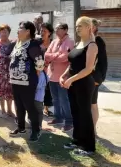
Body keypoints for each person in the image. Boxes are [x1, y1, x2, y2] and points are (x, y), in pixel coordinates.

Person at [61, 16, 98, 156]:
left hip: (83, 83)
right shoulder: (78, 44)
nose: (77, 29)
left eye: (80, 26)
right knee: (75, 112)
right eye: (76, 26)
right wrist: (64, 75)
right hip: (73, 83)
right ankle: (77, 141)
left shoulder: (92, 45)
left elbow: (88, 69)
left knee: (85, 114)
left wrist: (71, 79)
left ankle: (89, 147)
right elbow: (72, 64)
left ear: (89, 27)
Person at [9, 21, 44, 142]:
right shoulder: (17, 43)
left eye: (20, 28)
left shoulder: (32, 44)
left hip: (27, 81)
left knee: (29, 106)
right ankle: (21, 127)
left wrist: (34, 76)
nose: (18, 30)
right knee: (19, 106)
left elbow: (40, 63)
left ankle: (36, 130)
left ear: (28, 31)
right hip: (15, 80)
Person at [45, 23, 75, 132]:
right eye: (56, 28)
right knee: (55, 99)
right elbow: (46, 55)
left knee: (64, 99)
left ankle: (69, 121)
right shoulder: (54, 41)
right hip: (52, 75)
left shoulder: (70, 42)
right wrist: (56, 55)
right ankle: (58, 117)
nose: (56, 31)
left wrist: (53, 57)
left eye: (59, 29)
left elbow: (65, 57)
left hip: (63, 76)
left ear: (65, 30)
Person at [0, 24, 14, 116]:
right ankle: (3, 110)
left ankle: (10, 110)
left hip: (10, 71)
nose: (4, 33)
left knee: (10, 91)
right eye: (2, 32)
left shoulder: (13, 43)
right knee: (0, 90)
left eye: (6, 31)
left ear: (9, 33)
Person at [91, 18, 108, 134]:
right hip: (82, 78)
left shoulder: (98, 41)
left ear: (95, 28)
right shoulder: (84, 41)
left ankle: (93, 129)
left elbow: (102, 62)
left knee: (92, 104)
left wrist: (99, 78)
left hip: (93, 78)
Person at [39, 22, 54, 117]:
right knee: (39, 90)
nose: (42, 32)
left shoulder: (54, 43)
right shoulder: (37, 43)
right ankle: (39, 108)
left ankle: (47, 108)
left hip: (51, 71)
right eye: (41, 30)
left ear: (50, 33)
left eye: (44, 31)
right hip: (38, 71)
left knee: (49, 90)